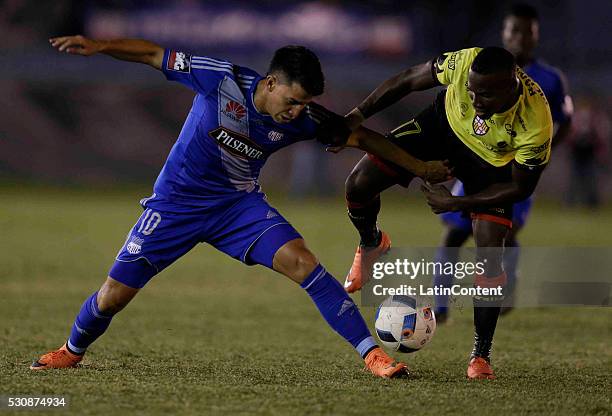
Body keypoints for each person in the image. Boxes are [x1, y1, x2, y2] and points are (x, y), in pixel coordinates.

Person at [31, 35, 449, 378]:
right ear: (270, 83)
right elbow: (153, 54)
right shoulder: (220, 79)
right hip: (175, 206)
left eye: (305, 104)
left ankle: (372, 355)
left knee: (303, 262)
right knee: (112, 297)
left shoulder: (305, 119)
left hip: (237, 207)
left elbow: (367, 139)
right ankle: (73, 349)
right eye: (294, 100)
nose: (298, 111)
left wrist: (420, 167)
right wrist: (99, 47)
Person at [340, 46, 553, 379]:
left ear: (509, 88)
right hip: (441, 127)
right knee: (358, 184)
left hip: (491, 166)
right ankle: (371, 242)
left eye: (484, 95)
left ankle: (481, 355)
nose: (476, 99)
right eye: (471, 90)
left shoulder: (535, 121)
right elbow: (409, 79)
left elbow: (521, 187)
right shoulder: (467, 61)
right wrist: (359, 113)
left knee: (490, 252)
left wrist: (458, 203)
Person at [432, 3, 574, 321]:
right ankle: (439, 307)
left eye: (528, 32)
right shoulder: (482, 67)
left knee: (504, 234)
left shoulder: (550, 80)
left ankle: (503, 289)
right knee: (454, 233)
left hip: (515, 172)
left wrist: (540, 158)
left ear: (536, 36)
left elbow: (566, 122)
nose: (521, 38)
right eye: (514, 30)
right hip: (478, 164)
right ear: (504, 33)